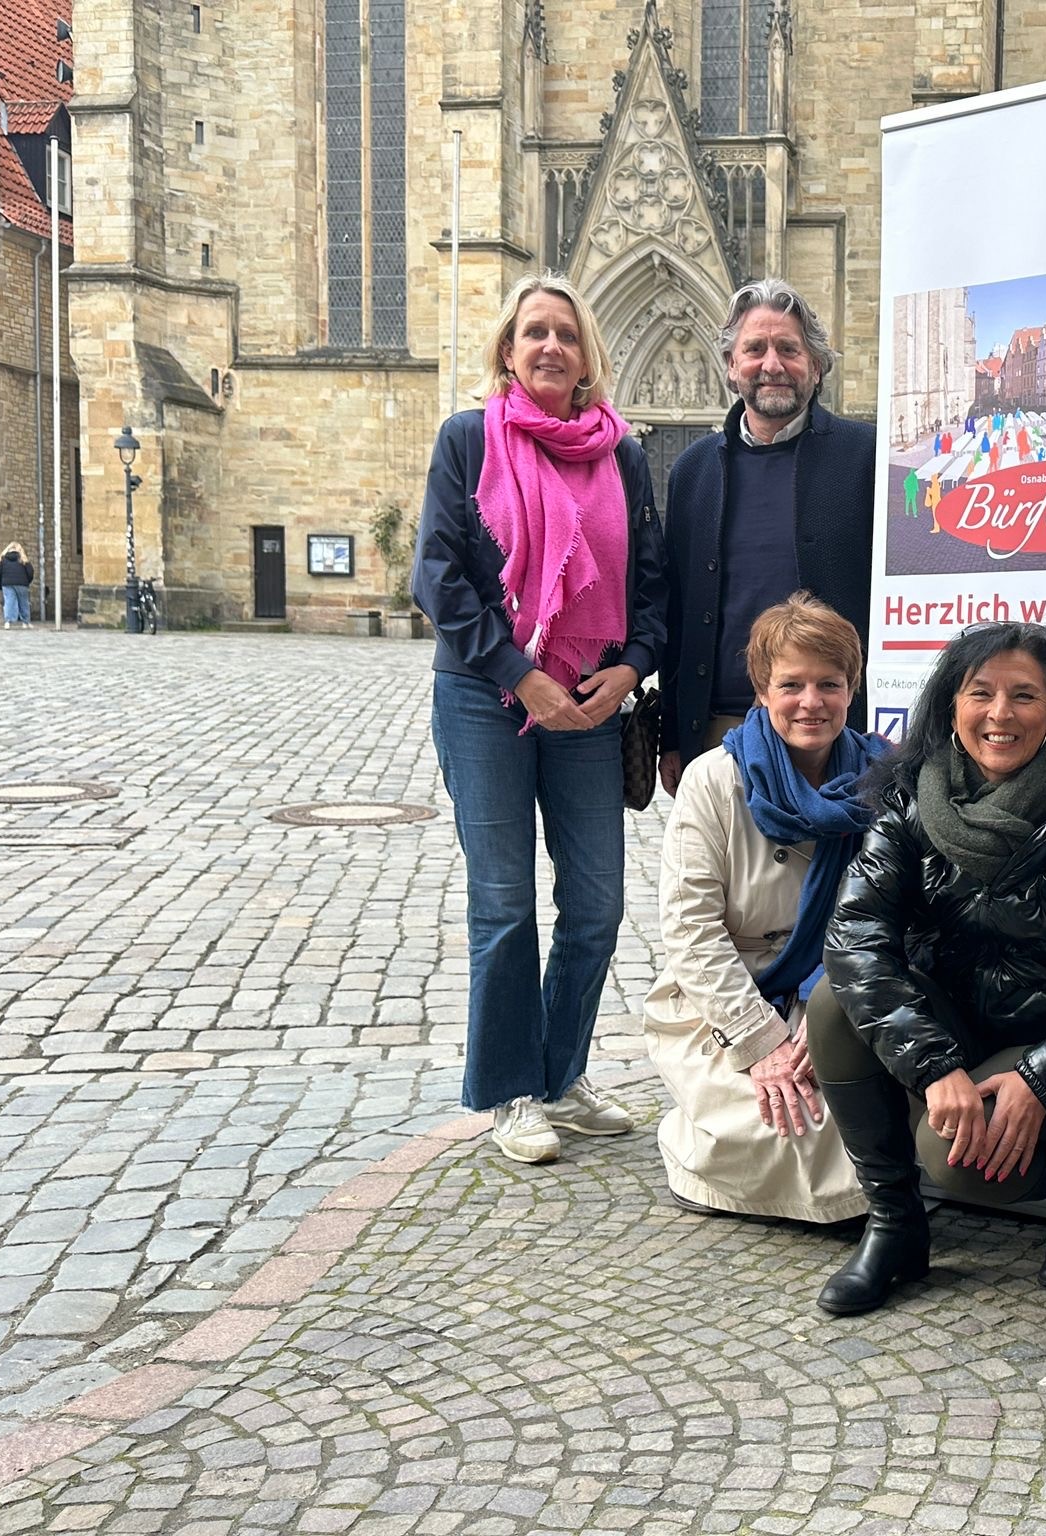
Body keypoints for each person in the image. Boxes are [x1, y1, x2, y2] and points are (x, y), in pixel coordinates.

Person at [808, 623, 1046, 1316]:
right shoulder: (906, 798)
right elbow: (857, 934)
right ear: (951, 704)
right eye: (980, 692)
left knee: (954, 1160)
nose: (1000, 714)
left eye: (1024, 696)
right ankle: (896, 1225)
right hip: (957, 1031)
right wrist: (932, 1064)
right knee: (833, 1000)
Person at [412, 271, 669, 1166]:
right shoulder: (468, 440)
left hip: (592, 703)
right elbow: (437, 578)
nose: (551, 346)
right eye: (535, 333)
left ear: (587, 354)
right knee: (504, 905)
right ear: (509, 351)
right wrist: (524, 677)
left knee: (596, 905)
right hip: (488, 700)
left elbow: (650, 589)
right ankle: (511, 1092)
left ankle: (561, 1075)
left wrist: (630, 667)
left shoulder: (622, 455)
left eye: (566, 333)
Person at [643, 594, 880, 1223]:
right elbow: (691, 929)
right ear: (760, 690)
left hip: (840, 980)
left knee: (840, 1107)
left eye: (829, 684)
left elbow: (899, 916)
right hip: (731, 990)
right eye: (791, 685)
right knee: (774, 1118)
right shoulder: (712, 780)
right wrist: (761, 1042)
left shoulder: (885, 778)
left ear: (851, 688)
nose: (811, 702)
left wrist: (834, 1004)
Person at [659, 279, 875, 795]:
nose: (772, 364)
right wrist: (673, 729)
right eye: (754, 349)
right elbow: (677, 610)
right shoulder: (693, 472)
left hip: (829, 732)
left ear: (817, 365)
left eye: (789, 349)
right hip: (720, 729)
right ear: (732, 366)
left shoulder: (866, 458)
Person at [0, 544, 33, 628]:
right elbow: (30, 572)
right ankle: (25, 622)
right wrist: (27, 581)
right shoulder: (23, 559)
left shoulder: (3, 560)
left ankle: (8, 621)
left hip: (7, 583)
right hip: (22, 583)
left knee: (9, 602)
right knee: (23, 602)